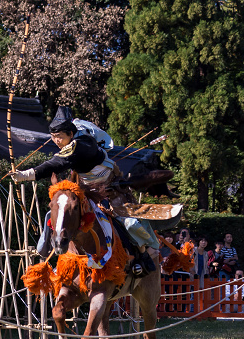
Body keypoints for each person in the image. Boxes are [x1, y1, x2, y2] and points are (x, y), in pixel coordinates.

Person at [13, 107, 157, 273]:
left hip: (111, 190)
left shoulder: (83, 144)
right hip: (86, 191)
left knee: (130, 223)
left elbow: (56, 163)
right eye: (53, 137)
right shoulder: (73, 142)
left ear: (71, 134)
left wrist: (26, 174)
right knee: (57, 213)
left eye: (59, 137)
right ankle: (45, 249)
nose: (56, 141)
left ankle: (143, 256)